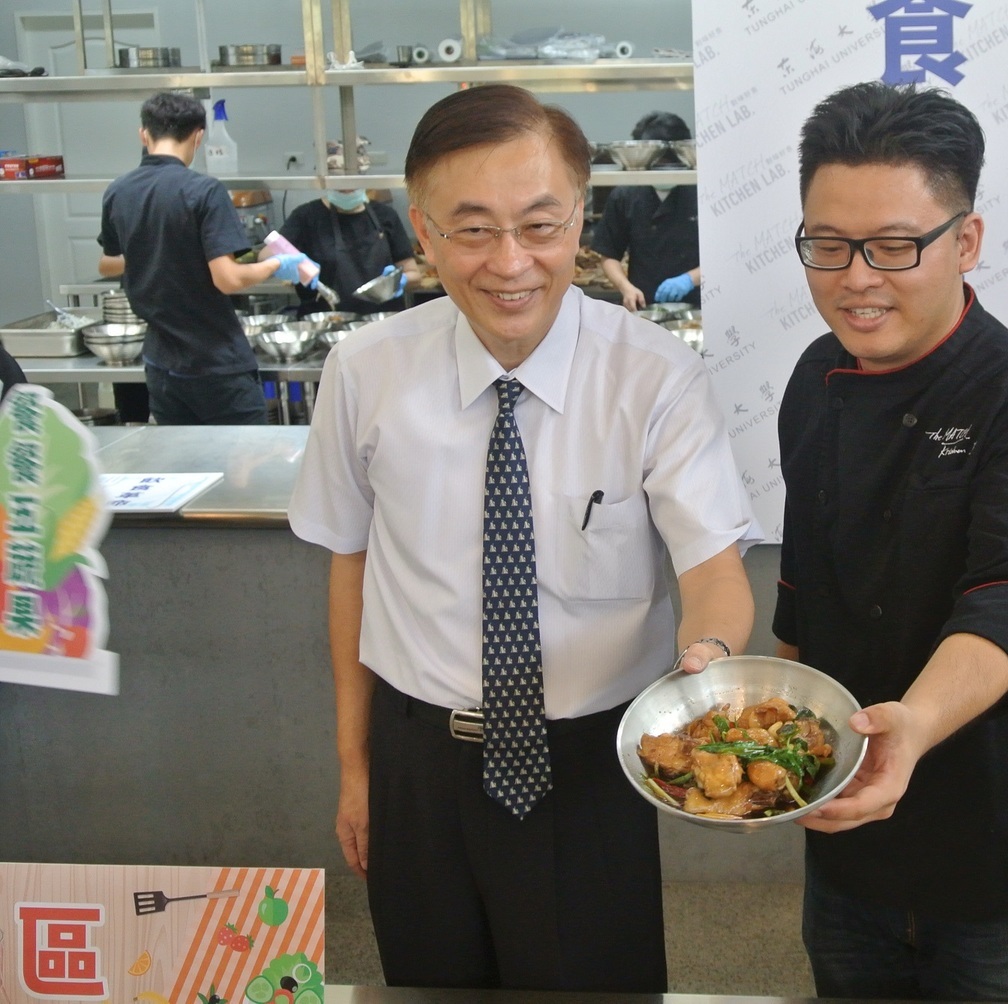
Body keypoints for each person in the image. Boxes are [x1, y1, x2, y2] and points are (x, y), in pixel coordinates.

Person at [287, 84, 758, 992]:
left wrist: (708, 655)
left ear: (581, 217)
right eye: (472, 230)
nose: (511, 264)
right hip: (417, 762)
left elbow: (712, 566)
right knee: (429, 985)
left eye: (541, 226)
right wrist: (356, 768)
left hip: (591, 766)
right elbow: (349, 567)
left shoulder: (657, 378)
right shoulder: (364, 372)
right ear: (421, 232)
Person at [774, 82, 1008, 1003]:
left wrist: (914, 726)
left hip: (1000, 826)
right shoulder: (815, 376)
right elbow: (805, 578)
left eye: (893, 246)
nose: (855, 277)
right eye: (829, 246)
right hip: (849, 807)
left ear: (966, 242)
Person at [97, 91, 316, 425]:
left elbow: (107, 263)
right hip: (214, 362)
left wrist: (158, 249)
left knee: (189, 464)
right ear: (198, 137)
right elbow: (227, 279)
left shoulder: (119, 190)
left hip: (161, 364)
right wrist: (277, 264)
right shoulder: (204, 191)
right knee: (246, 465)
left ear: (144, 134)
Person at [592, 111, 701, 310]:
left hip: (698, 303)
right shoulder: (626, 194)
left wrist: (690, 279)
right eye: (659, 163)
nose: (665, 170)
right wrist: (625, 288)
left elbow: (723, 256)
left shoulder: (700, 191)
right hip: (643, 303)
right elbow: (609, 255)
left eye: (672, 163)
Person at [278, 189, 420, 317]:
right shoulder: (305, 217)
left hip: (382, 323)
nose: (346, 187)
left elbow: (414, 275)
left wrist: (399, 281)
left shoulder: (386, 215)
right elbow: (267, 253)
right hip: (327, 325)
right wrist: (290, 264)